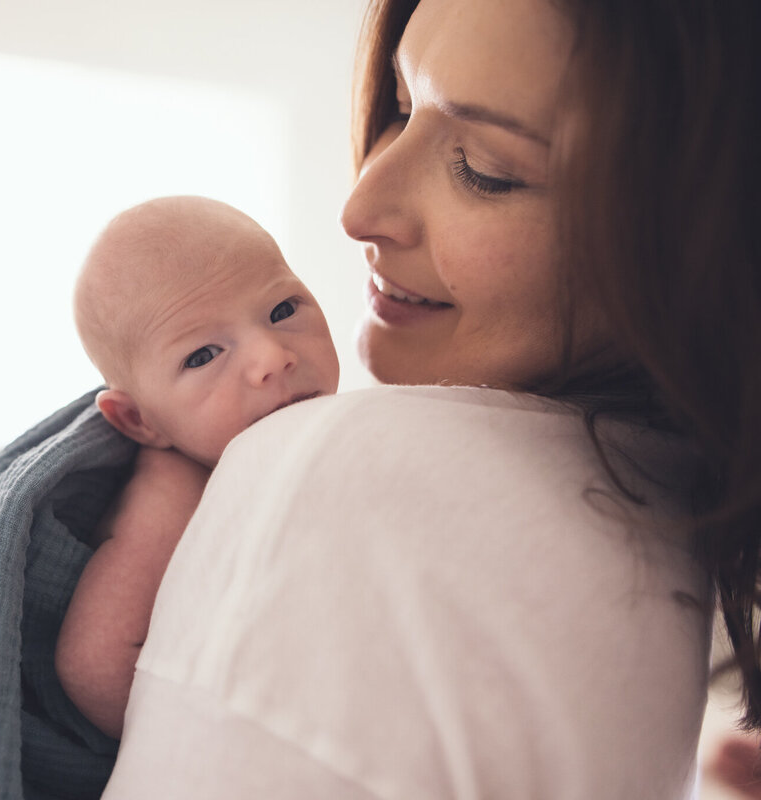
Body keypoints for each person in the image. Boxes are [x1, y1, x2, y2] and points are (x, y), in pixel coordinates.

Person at [100, 0, 760, 798]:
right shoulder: (663, 522)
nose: (358, 209)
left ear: (707, 242)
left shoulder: (335, 471)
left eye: (486, 168)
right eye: (401, 108)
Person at [56, 195, 340, 738]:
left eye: (283, 310)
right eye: (204, 355)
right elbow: (95, 663)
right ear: (140, 420)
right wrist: (200, 748)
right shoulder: (171, 492)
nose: (271, 358)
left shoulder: (315, 430)